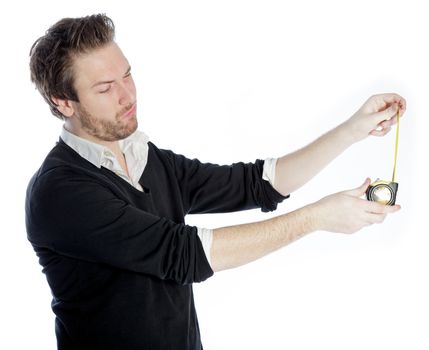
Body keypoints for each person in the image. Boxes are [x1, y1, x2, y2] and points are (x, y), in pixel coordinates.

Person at [25, 14, 406, 350]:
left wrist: (352, 130)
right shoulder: (60, 192)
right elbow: (187, 255)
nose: (128, 96)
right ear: (64, 103)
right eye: (105, 88)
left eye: (127, 75)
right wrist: (315, 219)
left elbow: (255, 183)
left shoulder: (144, 157)